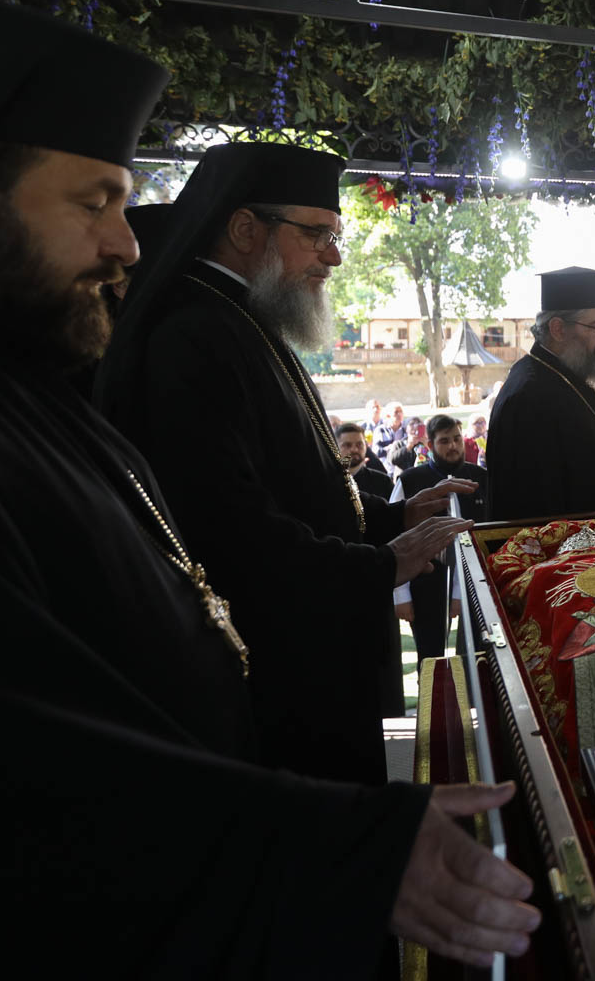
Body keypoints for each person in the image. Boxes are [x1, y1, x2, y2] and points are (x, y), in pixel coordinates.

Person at [0, 0, 536, 972]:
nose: (128, 242)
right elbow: (3, 759)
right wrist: (331, 841)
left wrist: (383, 517)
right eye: (96, 200)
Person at [98, 141, 476, 786]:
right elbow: (231, 530)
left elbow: (302, 487)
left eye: (337, 236)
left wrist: (392, 519)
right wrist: (385, 563)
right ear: (246, 229)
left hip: (322, 641)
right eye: (317, 235)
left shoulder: (244, 317)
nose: (333, 257)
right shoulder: (194, 335)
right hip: (285, 665)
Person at [483, 267, 595, 521]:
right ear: (558, 329)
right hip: (571, 555)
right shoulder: (528, 397)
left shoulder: (578, 374)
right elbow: (533, 509)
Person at [392, 414, 491, 664]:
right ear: (431, 445)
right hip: (426, 582)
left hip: (477, 582)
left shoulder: (482, 478)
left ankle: (471, 702)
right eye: (445, 441)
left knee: (479, 657)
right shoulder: (410, 481)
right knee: (431, 657)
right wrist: (401, 595)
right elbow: (395, 537)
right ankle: (434, 703)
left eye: (457, 439)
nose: (453, 446)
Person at [338, 421, 394, 497]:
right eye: (347, 445)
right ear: (336, 447)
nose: (354, 449)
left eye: (359, 444)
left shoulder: (382, 482)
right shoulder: (326, 480)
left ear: (366, 446)